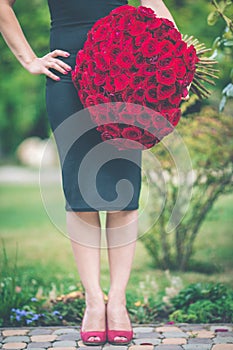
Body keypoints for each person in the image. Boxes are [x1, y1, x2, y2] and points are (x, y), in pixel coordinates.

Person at [0, 0, 178, 346]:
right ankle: (94, 302)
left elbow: (155, 5)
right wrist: (30, 60)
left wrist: (172, 64)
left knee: (123, 195)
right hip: (67, 76)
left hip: (128, 76)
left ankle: (119, 302)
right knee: (80, 194)